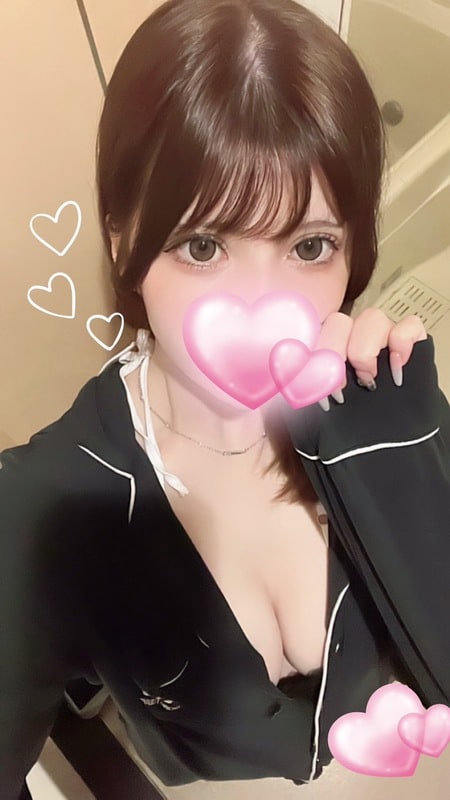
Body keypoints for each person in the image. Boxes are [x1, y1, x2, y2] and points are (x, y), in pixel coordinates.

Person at [1, 1, 449, 798]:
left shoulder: (379, 400)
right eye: (203, 244)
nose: (261, 305)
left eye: (311, 245)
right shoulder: (43, 510)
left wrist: (403, 443)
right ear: (120, 238)